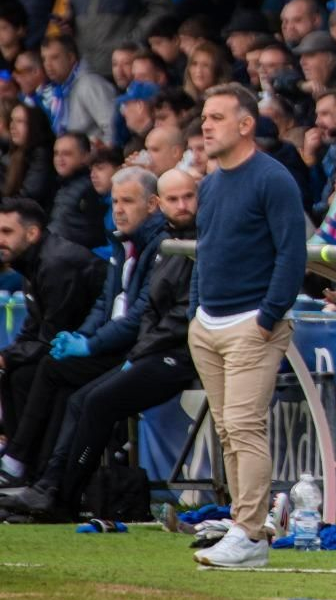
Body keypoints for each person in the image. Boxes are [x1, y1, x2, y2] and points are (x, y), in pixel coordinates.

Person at [0, 169, 199, 521]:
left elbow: (145, 315)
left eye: (128, 201)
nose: (119, 209)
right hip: (136, 348)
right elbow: (108, 305)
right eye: (115, 201)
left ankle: (48, 487)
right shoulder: (129, 243)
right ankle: (43, 484)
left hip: (160, 353)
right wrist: (85, 339)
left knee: (91, 399)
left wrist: (98, 347)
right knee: (60, 382)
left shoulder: (169, 245)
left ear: (152, 205)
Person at [187, 83, 308, 568]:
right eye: (203, 118)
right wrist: (196, 310)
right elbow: (206, 249)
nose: (205, 126)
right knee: (227, 430)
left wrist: (267, 316)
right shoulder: (210, 183)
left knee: (243, 427)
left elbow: (292, 253)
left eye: (215, 117)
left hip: (251, 325)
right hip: (209, 324)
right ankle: (244, 523)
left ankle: (250, 533)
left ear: (244, 124)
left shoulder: (273, 179)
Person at [0, 198, 105, 453]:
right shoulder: (30, 263)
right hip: (65, 344)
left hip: (96, 348)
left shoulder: (57, 264)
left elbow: (52, 335)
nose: (0, 239)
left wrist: (5, 358)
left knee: (29, 373)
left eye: (6, 232)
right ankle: (18, 461)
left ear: (32, 233)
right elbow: (32, 328)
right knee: (13, 373)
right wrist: (7, 357)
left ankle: (24, 460)